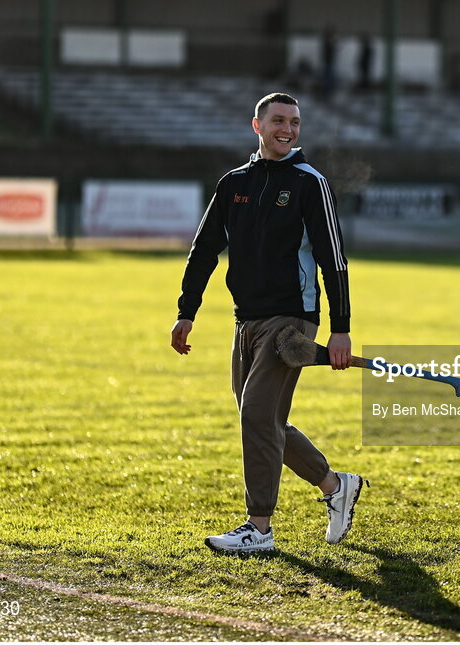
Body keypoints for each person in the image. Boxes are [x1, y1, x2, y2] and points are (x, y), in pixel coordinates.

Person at [171, 92, 366, 554]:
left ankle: (258, 528)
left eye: (295, 123)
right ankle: (335, 485)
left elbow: (332, 259)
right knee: (261, 417)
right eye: (278, 121)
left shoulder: (309, 183)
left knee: (258, 414)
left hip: (292, 319)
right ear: (256, 126)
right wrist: (186, 310)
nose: (288, 129)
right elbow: (203, 250)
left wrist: (340, 328)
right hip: (246, 320)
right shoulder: (233, 182)